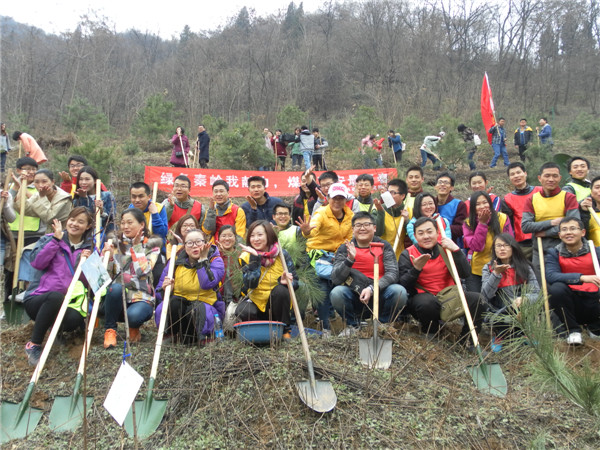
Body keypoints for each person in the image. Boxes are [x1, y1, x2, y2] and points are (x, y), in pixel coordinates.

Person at [22, 207, 93, 366]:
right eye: (72, 219)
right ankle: (34, 345)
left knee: (74, 319)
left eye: (80, 222)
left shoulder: (89, 249)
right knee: (55, 297)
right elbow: (37, 263)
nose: (74, 224)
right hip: (38, 299)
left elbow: (92, 283)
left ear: (88, 226)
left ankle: (54, 329)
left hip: (66, 303)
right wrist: (56, 240)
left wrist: (90, 263)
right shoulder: (50, 239)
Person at [398, 217, 485, 344]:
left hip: (450, 296)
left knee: (479, 300)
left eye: (429, 232)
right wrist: (416, 269)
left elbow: (465, 273)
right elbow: (403, 285)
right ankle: (432, 332)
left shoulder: (446, 249)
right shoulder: (408, 254)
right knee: (426, 303)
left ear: (437, 233)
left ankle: (467, 340)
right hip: (423, 299)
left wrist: (456, 251)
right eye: (421, 233)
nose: (426, 236)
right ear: (415, 236)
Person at [331, 212, 407, 334]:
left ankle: (383, 325)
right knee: (337, 293)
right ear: (353, 229)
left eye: (367, 224)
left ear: (374, 228)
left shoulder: (383, 246)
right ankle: (353, 325)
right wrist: (349, 260)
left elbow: (392, 274)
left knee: (399, 291)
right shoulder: (345, 248)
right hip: (355, 295)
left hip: (381, 293)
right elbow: (335, 278)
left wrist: (372, 288)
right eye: (358, 225)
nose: (362, 228)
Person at [102, 208, 163, 348]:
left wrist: (136, 248)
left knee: (133, 316)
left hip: (141, 296)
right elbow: (105, 276)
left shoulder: (152, 246)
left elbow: (143, 271)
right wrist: (109, 257)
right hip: (115, 297)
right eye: (123, 223)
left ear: (142, 225)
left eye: (130, 222)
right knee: (116, 288)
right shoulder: (114, 243)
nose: (125, 226)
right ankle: (110, 330)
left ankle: (133, 326)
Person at [299, 182, 354, 334]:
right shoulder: (321, 213)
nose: (337, 202)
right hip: (319, 256)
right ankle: (325, 328)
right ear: (328, 198)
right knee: (322, 288)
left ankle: (351, 324)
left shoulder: (350, 216)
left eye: (341, 198)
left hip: (340, 257)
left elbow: (350, 238)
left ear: (345, 199)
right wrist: (307, 232)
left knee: (346, 287)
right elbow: (313, 229)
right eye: (334, 198)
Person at [158, 229, 225, 344]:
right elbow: (159, 293)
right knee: (173, 302)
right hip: (181, 311)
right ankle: (172, 334)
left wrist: (202, 260)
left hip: (204, 310)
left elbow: (206, 283)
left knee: (197, 306)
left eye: (198, 242)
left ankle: (204, 337)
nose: (194, 246)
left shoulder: (215, 261)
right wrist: (166, 290)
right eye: (189, 243)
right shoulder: (175, 262)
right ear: (184, 246)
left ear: (205, 243)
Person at [236, 220, 298, 339]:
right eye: (252, 236)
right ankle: (259, 333)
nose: (256, 239)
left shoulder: (282, 254)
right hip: (255, 301)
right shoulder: (246, 256)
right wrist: (255, 259)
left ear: (268, 235)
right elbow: (251, 283)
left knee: (281, 290)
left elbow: (296, 282)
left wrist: (285, 282)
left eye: (260, 235)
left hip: (275, 303)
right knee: (244, 311)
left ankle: (284, 331)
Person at [546, 217, 600, 345]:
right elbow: (551, 275)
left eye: (573, 228)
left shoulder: (596, 251)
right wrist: (582, 277)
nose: (568, 232)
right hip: (571, 302)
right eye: (564, 230)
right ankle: (573, 330)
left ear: (583, 232)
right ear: (559, 235)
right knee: (556, 289)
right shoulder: (554, 253)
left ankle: (595, 328)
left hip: (594, 299)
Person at [481, 233, 539, 351]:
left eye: (506, 245)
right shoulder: (488, 268)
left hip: (522, 309)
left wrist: (525, 298)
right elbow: (485, 296)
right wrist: (496, 274)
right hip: (498, 311)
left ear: (513, 247)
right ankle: (500, 334)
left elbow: (536, 292)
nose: (502, 248)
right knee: (503, 310)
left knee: (523, 305)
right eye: (498, 246)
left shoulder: (525, 267)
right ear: (494, 249)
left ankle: (524, 332)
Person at [522, 162, 580, 271]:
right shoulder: (532, 200)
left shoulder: (569, 198)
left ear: (560, 178)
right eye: (547, 176)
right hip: (539, 250)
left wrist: (545, 233)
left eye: (555, 176)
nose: (551, 179)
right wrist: (551, 222)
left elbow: (574, 226)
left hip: (565, 248)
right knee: (541, 285)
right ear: (540, 178)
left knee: (563, 285)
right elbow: (525, 227)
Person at [463, 191, 513, 291]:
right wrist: (482, 223)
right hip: (478, 269)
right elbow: (477, 247)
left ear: (490, 204)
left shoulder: (502, 218)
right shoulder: (468, 223)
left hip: (501, 266)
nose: (482, 206)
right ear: (473, 207)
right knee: (479, 301)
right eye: (477, 204)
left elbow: (509, 242)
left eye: (485, 202)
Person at [502, 162, 542, 259]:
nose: (516, 176)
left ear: (525, 173)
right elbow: (509, 224)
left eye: (518, 172)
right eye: (512, 174)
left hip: (542, 237)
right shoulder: (507, 199)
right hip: (522, 243)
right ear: (509, 178)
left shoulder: (540, 191)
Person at [7, 157, 43, 246]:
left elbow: (41, 202)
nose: (31, 172)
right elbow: (8, 203)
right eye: (27, 169)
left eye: (34, 169)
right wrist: (17, 186)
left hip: (34, 233)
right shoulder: (11, 186)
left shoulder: (41, 186)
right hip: (13, 231)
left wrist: (23, 187)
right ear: (19, 171)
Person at [72, 166, 116, 237]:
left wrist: (101, 211)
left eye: (87, 179)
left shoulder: (107, 196)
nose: (83, 182)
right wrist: (84, 199)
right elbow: (85, 218)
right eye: (81, 179)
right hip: (85, 236)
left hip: (106, 234)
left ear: (95, 180)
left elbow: (112, 218)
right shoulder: (76, 200)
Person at [374, 179, 411, 258]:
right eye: (388, 192)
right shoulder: (378, 208)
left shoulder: (408, 210)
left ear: (402, 196)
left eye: (393, 193)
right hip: (380, 255)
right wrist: (380, 212)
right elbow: (377, 233)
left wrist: (407, 221)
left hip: (400, 256)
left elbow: (413, 234)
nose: (389, 195)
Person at [434, 172, 467, 244]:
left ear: (451, 188)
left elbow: (461, 228)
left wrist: (441, 227)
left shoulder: (459, 205)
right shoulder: (430, 203)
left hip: (450, 244)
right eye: (440, 182)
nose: (442, 184)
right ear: (435, 186)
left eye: (446, 183)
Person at [216, 225, 242, 304]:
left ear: (235, 238)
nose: (227, 239)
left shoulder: (241, 255)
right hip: (218, 296)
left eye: (230, 236)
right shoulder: (215, 255)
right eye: (223, 236)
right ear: (219, 238)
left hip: (238, 296)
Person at [580, 176, 600, 246]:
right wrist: (584, 213)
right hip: (594, 253)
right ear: (591, 191)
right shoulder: (585, 211)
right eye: (597, 187)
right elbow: (582, 236)